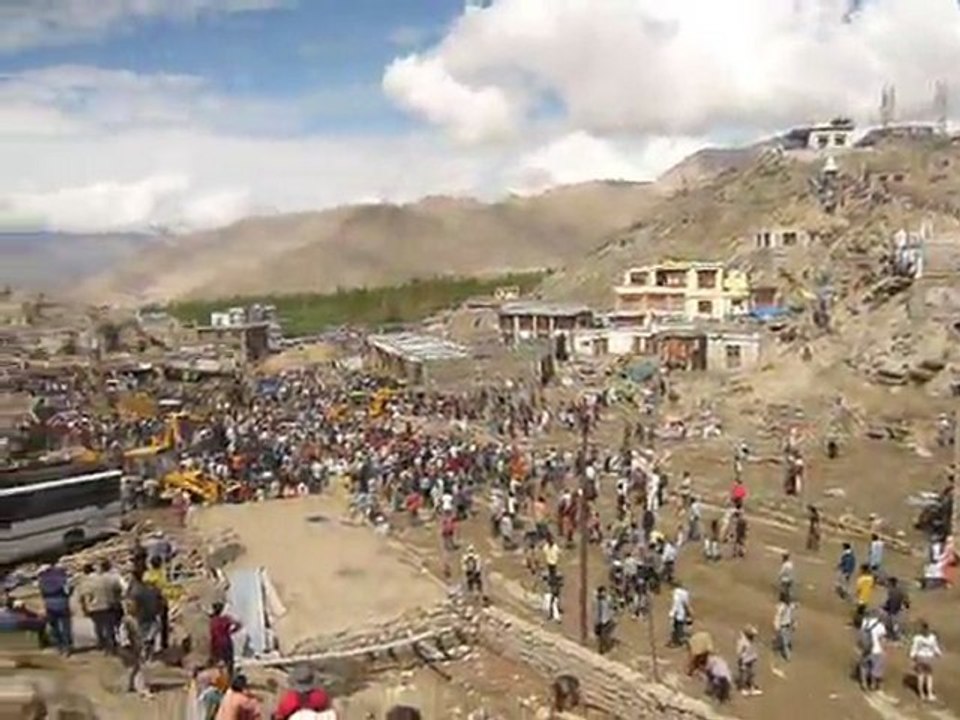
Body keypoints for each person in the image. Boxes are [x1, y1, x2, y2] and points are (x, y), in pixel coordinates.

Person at [77, 562, 119, 654]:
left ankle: (103, 646)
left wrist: (85, 609)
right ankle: (112, 645)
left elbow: (84, 596)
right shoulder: (103, 578)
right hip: (107, 605)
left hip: (95, 608)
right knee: (109, 627)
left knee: (99, 627)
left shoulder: (86, 581)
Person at [37, 561, 72, 655]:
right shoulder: (62, 576)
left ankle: (59, 646)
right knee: (66, 627)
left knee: (54, 627)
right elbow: (68, 590)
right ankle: (67, 647)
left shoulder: (42, 579)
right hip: (63, 604)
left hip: (49, 606)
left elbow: (42, 594)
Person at [119, 598, 152, 698]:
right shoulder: (127, 621)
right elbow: (123, 633)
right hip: (130, 647)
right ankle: (142, 689)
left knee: (134, 668)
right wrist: (126, 643)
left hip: (135, 646)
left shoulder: (132, 619)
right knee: (138, 668)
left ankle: (129, 686)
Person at [909, 621, 942, 702]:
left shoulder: (917, 638)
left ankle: (921, 694)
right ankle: (929, 694)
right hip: (929, 659)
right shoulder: (932, 637)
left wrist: (912, 656)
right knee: (929, 677)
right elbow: (935, 647)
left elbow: (914, 648)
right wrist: (939, 654)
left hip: (920, 658)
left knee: (921, 676)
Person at [209, 603, 242, 676]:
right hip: (226, 641)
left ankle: (219, 678)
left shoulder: (212, 620)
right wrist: (231, 631)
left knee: (217, 661)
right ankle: (229, 678)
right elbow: (239, 624)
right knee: (228, 661)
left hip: (215, 642)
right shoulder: (225, 619)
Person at [858, 611, 886, 692]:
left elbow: (861, 635)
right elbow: (882, 639)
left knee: (864, 666)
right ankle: (873, 684)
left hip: (866, 649)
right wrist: (883, 650)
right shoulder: (880, 626)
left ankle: (864, 683)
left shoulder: (865, 622)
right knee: (875, 668)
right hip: (876, 650)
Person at [735, 626, 761, 696]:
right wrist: (741, 661)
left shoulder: (751, 641)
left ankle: (751, 687)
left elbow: (753, 649)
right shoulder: (742, 642)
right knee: (743, 675)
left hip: (751, 660)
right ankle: (742, 688)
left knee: (751, 674)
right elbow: (739, 652)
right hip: (744, 661)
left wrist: (755, 656)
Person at [772, 591, 795, 661]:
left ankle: (776, 647)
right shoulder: (782, 607)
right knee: (785, 641)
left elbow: (791, 615)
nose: (789, 599)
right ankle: (787, 656)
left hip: (787, 626)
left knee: (784, 639)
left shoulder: (789, 606)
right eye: (788, 598)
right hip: (782, 626)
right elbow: (778, 617)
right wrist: (777, 626)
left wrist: (793, 623)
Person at [668, 582, 691, 647]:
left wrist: (672, 613)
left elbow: (676, 604)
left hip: (677, 614)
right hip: (682, 613)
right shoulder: (685, 593)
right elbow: (686, 604)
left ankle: (677, 641)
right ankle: (678, 640)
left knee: (676, 627)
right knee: (679, 627)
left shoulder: (676, 594)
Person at [593, 586, 615, 655]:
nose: (604, 594)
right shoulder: (597, 600)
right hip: (598, 620)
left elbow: (612, 606)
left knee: (603, 635)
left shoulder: (608, 599)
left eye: (604, 592)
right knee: (598, 634)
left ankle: (602, 649)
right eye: (602, 592)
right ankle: (602, 647)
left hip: (605, 620)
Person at [854, 563, 875, 627]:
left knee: (858, 611)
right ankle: (861, 623)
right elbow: (872, 586)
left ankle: (858, 624)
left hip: (861, 597)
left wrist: (856, 595)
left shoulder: (861, 579)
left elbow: (858, 589)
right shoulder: (871, 578)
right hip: (867, 597)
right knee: (862, 610)